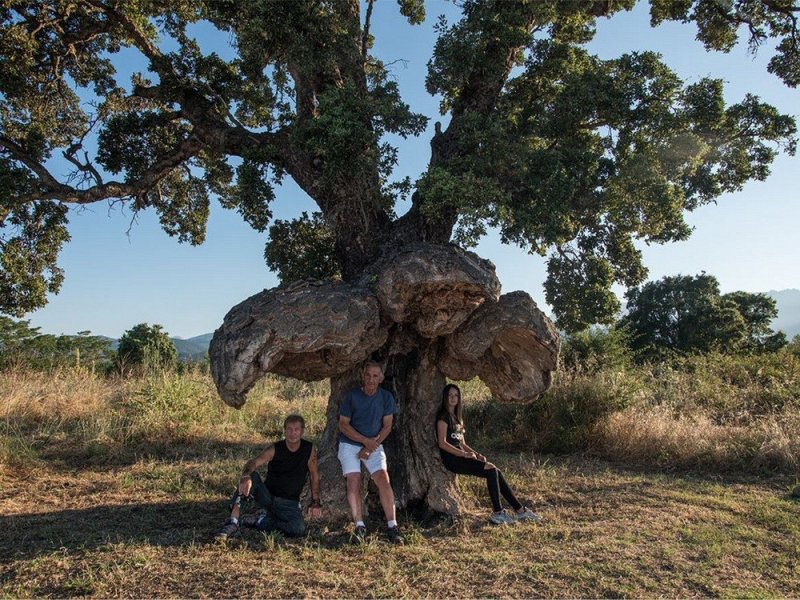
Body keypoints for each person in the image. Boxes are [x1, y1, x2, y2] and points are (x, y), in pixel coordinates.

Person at [436, 383, 541, 525]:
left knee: (495, 470)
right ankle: (498, 513)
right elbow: (442, 443)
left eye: (456, 395)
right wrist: (463, 455)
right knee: (491, 470)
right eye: (450, 395)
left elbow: (462, 443)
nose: (453, 398)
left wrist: (476, 454)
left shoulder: (457, 418)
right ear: (445, 397)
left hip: (461, 457)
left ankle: (520, 510)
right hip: (452, 460)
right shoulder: (443, 418)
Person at [216, 414, 322, 539]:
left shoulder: (309, 450)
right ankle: (233, 522)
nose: (292, 433)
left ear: (302, 431)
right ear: (284, 430)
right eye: (289, 429)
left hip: (289, 502)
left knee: (298, 529)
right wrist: (245, 476)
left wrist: (315, 502)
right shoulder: (275, 448)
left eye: (296, 429)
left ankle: (259, 521)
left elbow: (314, 476)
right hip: (268, 496)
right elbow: (253, 462)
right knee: (252, 477)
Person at [338, 361, 402, 544]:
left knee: (383, 478)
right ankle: (359, 525)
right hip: (350, 444)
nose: (371, 379)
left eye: (375, 376)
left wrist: (369, 446)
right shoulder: (352, 397)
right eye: (368, 375)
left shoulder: (386, 397)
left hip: (374, 443)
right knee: (353, 480)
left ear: (381, 378)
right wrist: (364, 442)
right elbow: (343, 424)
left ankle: (392, 525)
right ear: (362, 376)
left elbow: (388, 426)